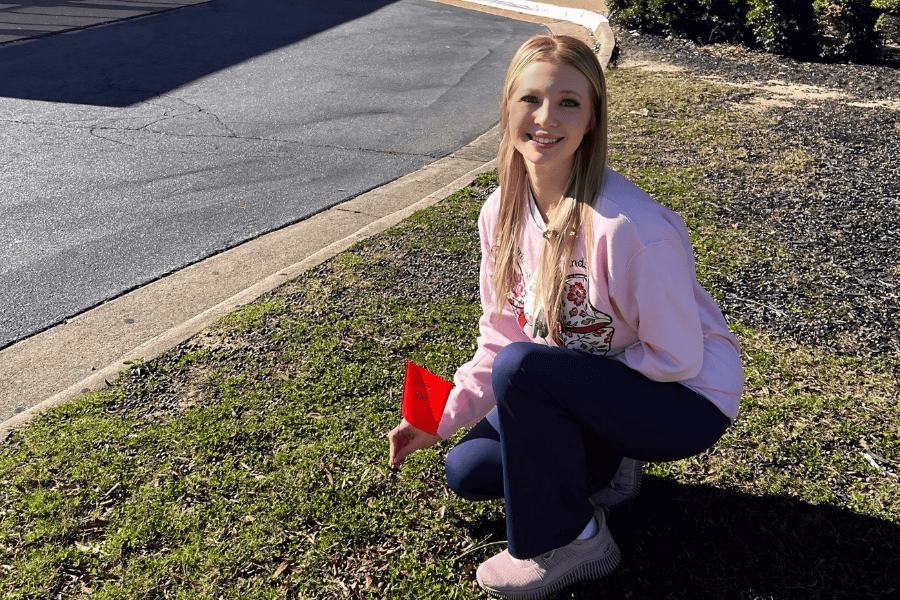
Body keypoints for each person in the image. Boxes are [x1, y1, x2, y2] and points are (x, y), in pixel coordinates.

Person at [388, 33, 743, 599]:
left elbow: (678, 357)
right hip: (589, 383)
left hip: (687, 398)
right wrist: (439, 416)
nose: (546, 118)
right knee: (470, 469)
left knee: (528, 369)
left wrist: (566, 381)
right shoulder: (499, 211)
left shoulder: (630, 230)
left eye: (569, 102)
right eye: (530, 99)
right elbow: (499, 336)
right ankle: (610, 466)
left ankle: (575, 541)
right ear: (507, 107)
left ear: (591, 119)